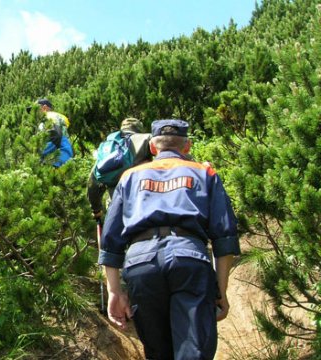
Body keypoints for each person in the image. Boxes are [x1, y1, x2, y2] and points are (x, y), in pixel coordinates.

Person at [98, 119, 240, 360]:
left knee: (157, 351)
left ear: (153, 147)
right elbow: (224, 237)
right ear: (187, 146)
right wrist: (221, 290)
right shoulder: (204, 172)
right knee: (193, 351)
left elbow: (111, 242)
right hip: (189, 259)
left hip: (141, 264)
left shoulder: (129, 176)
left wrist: (114, 292)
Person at [87, 117, 152, 221]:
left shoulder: (110, 146)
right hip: (143, 202)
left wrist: (96, 209)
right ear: (139, 129)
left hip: (116, 205)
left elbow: (93, 181)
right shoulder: (146, 139)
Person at [32, 98, 73, 167]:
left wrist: (40, 154)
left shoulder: (49, 116)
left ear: (44, 107)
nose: (33, 113)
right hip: (65, 153)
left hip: (56, 157)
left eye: (35, 109)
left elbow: (56, 135)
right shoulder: (57, 117)